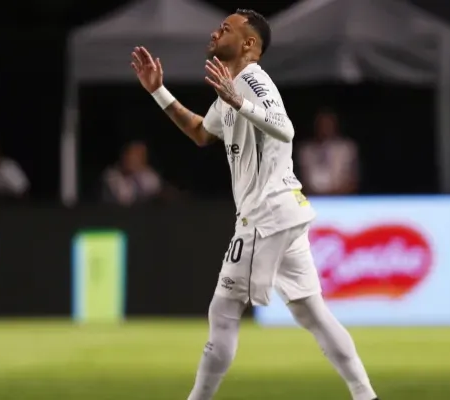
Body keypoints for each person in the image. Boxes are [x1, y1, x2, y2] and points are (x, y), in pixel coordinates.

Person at [130, 9, 379, 400]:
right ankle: (365, 395)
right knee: (311, 313)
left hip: (265, 214)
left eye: (225, 28)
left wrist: (240, 102)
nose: (216, 31)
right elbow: (201, 133)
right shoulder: (233, 86)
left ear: (248, 43)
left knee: (224, 311)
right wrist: (158, 92)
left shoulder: (251, 80)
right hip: (284, 212)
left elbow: (285, 128)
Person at [298, 109, 360, 195]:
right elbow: (300, 181)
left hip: (341, 198)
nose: (325, 128)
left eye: (328, 124)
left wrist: (334, 194)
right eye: (322, 124)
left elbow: (353, 180)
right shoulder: (305, 151)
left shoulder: (347, 148)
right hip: (312, 198)